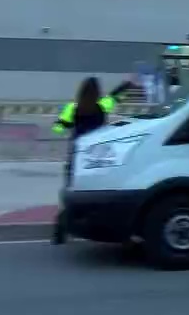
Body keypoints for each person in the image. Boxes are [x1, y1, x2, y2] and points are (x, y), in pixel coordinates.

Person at [50, 76, 136, 244]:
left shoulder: (72, 108)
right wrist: (128, 84)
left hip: (76, 155)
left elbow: (58, 128)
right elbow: (116, 96)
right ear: (98, 92)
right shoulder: (102, 106)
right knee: (95, 194)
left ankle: (59, 231)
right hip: (96, 157)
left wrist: (65, 123)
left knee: (72, 193)